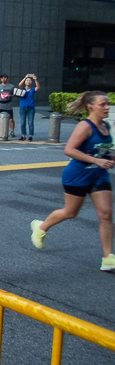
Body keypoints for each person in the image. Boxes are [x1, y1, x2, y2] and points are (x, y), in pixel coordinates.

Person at [31, 91, 114, 271]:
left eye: (108, 104)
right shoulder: (85, 126)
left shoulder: (105, 126)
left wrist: (109, 158)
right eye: (103, 104)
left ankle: (108, 258)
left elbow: (101, 149)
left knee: (106, 213)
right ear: (90, 107)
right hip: (77, 175)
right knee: (70, 212)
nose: (107, 107)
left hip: (98, 174)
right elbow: (69, 149)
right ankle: (41, 226)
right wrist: (96, 160)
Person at [0, 73, 16, 138]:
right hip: (0, 104)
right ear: (1, 79)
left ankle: (12, 131)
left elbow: (14, 94)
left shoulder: (11, 86)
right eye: (2, 78)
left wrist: (11, 95)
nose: (4, 79)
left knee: (11, 119)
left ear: (7, 78)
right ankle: (2, 131)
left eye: (5, 78)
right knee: (1, 118)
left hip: (8, 104)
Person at [17, 73, 39, 141]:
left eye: (29, 80)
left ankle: (30, 136)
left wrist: (35, 80)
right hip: (23, 107)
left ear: (31, 82)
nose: (28, 81)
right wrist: (25, 77)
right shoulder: (22, 89)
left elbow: (38, 87)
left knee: (30, 123)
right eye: (27, 80)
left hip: (31, 108)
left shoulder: (32, 90)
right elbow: (19, 85)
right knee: (23, 122)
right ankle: (23, 135)